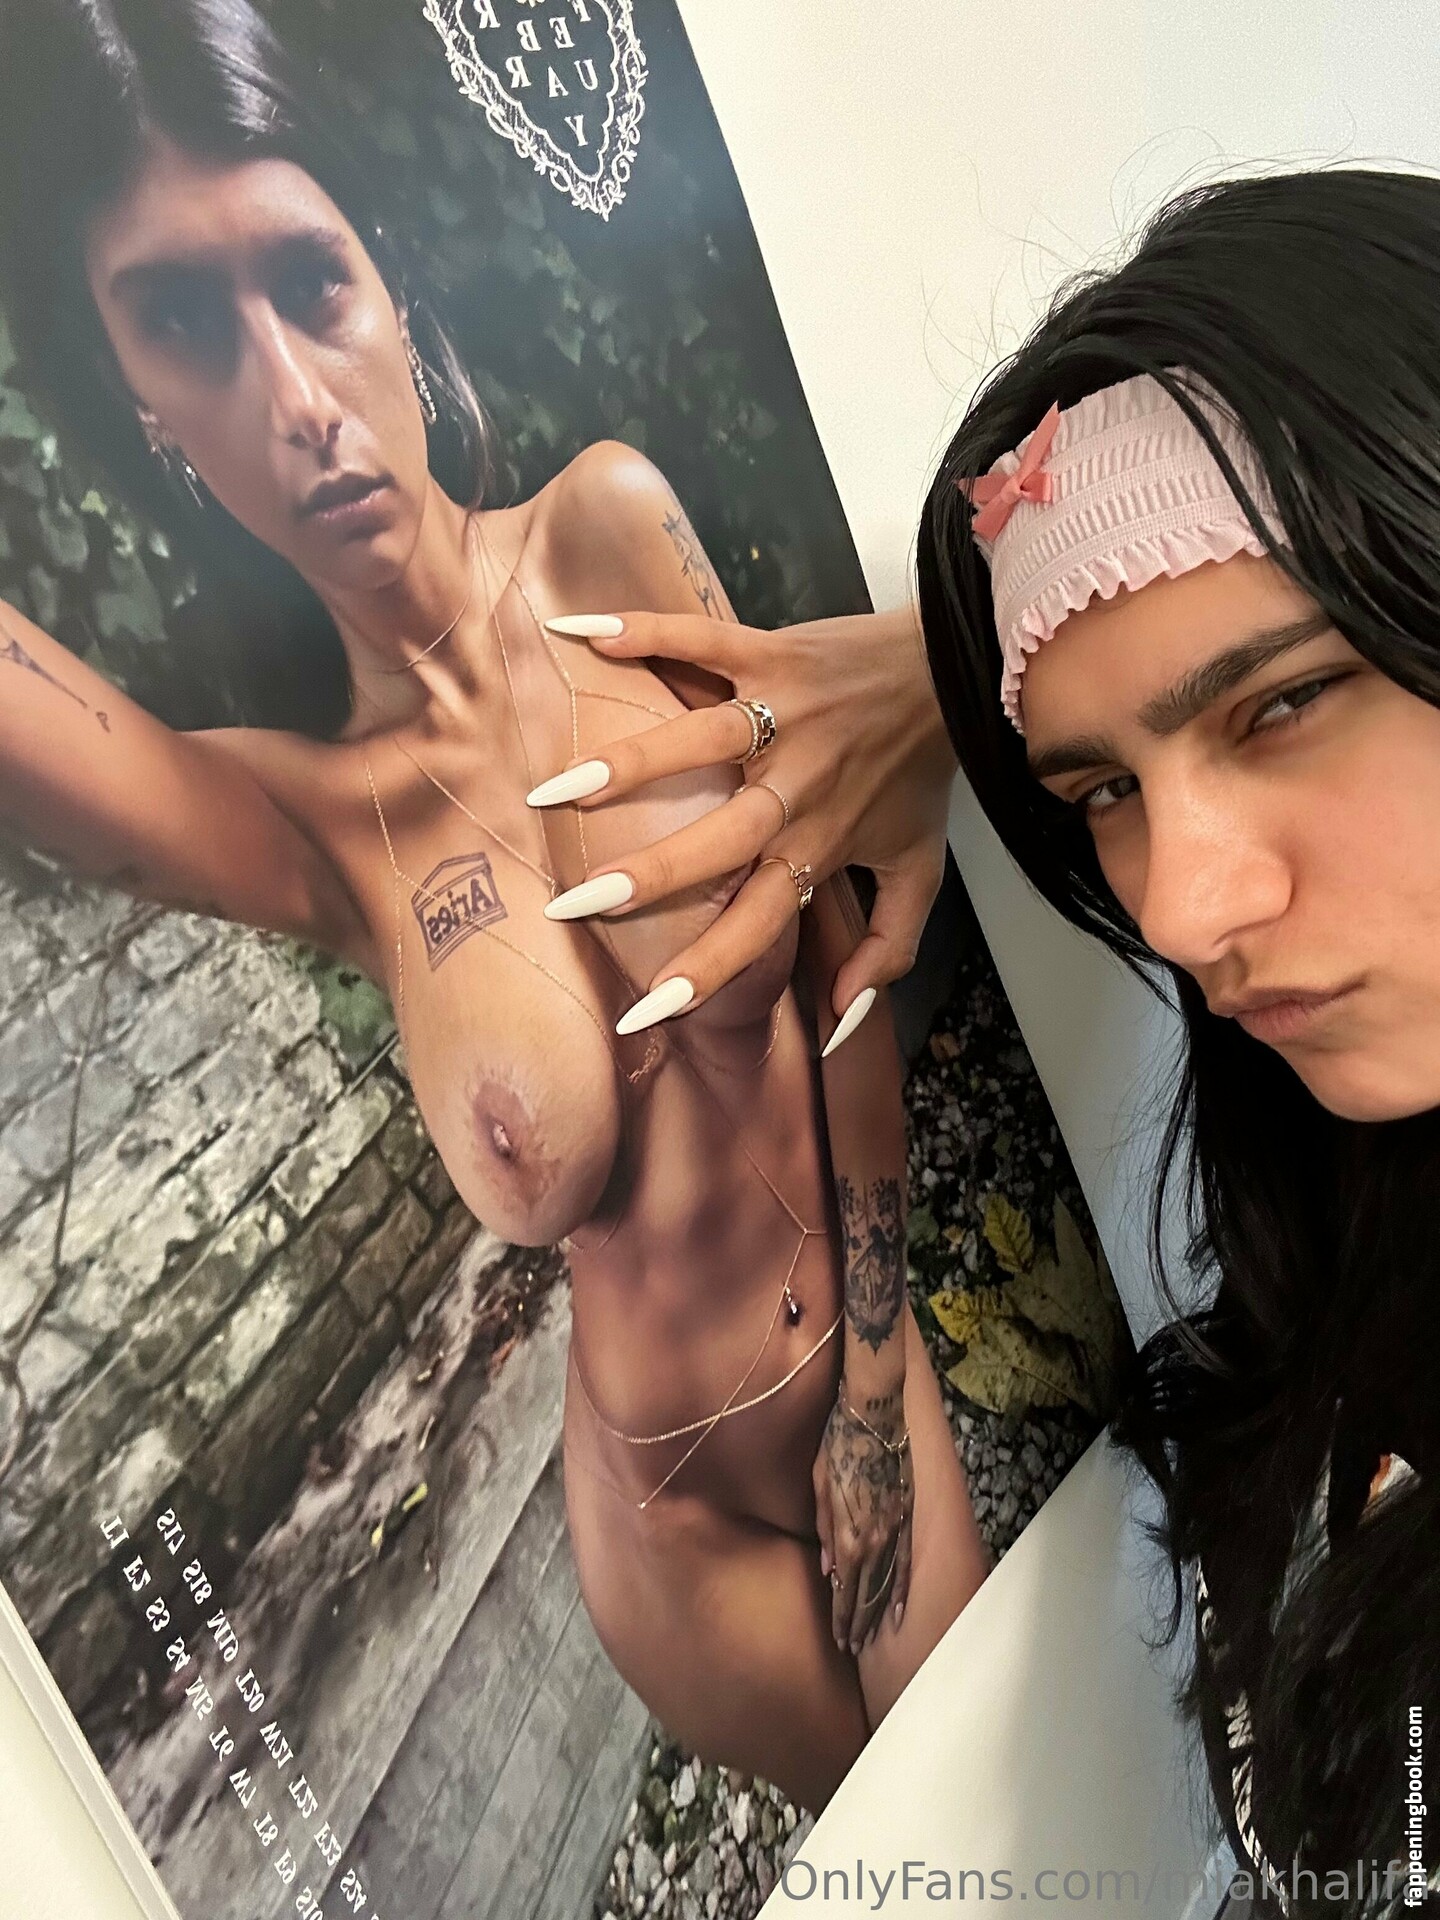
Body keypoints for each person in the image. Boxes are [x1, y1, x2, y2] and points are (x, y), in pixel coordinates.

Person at [0, 0, 992, 1816]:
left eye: (309, 282)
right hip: (665, 1523)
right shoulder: (308, 825)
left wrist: (871, 1387)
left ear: (389, 288)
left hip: (856, 1360)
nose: (295, 401)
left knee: (1012, 1817)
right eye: (185, 323)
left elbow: (849, 945)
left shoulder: (609, 530)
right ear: (150, 412)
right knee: (909, 1866)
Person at [525, 168, 1440, 1907]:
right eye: (1099, 790)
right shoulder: (1353, 1193)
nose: (1181, 912)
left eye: (1286, 702)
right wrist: (946, 681)